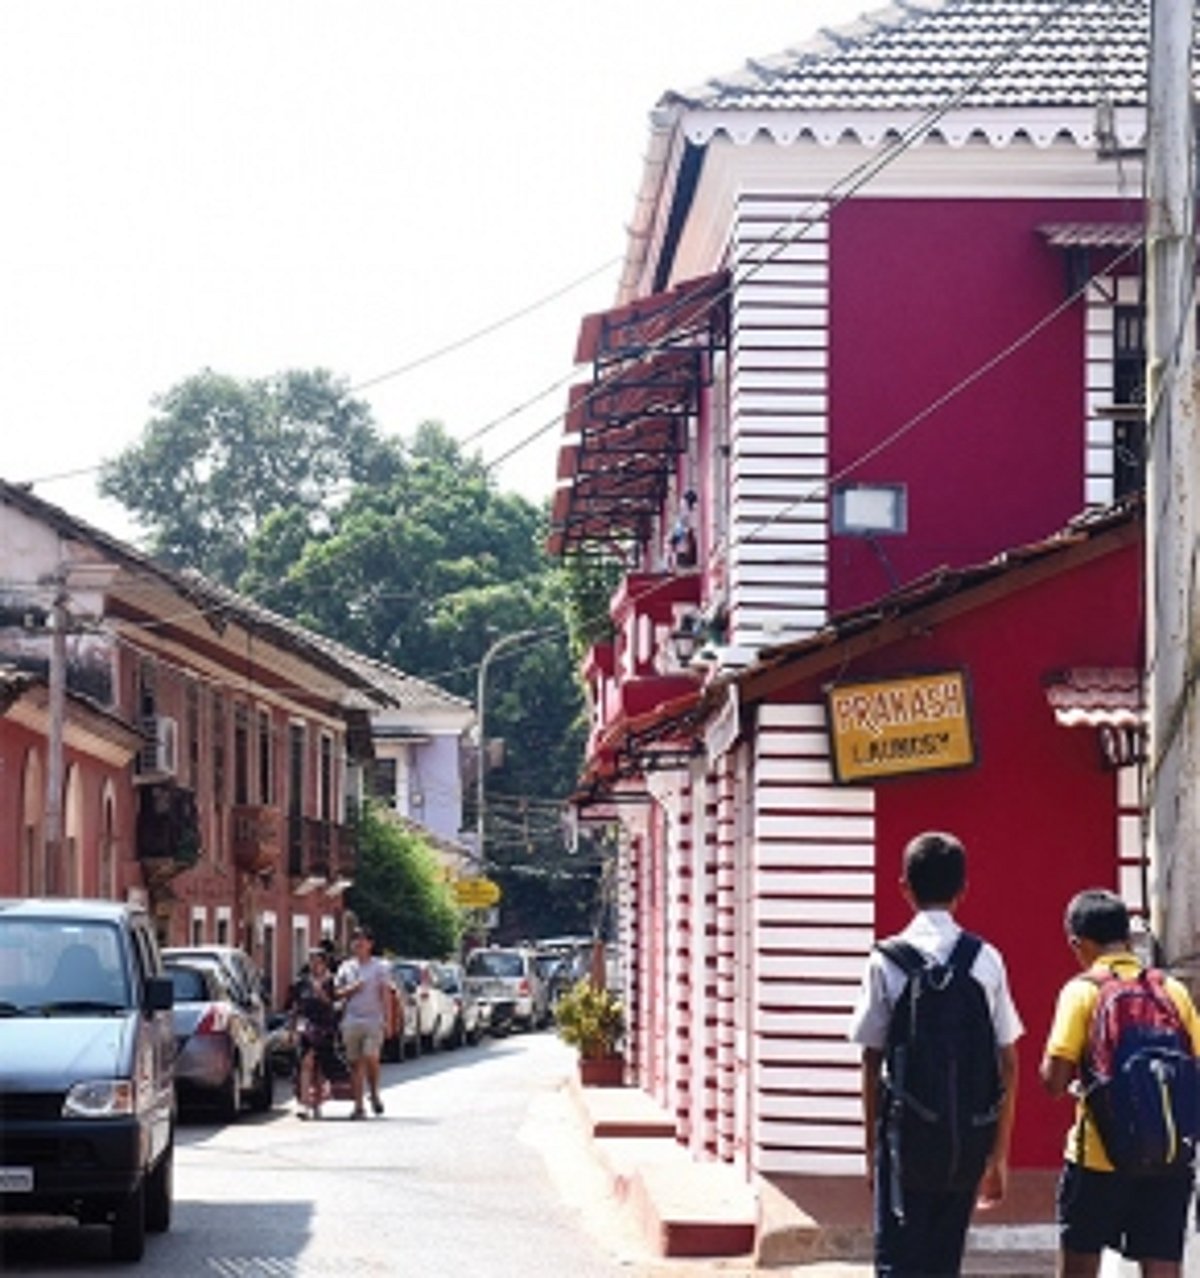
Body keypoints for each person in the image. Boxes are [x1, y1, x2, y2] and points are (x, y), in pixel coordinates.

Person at [848, 830, 1023, 1277]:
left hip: (903, 1142)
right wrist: (998, 1154)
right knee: (945, 1263)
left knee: (897, 1263)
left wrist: (871, 1152)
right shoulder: (986, 959)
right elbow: (1009, 1061)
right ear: (963, 890)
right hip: (966, 1139)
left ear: (903, 886)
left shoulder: (886, 961)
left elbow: (871, 1059)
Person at [1041, 889, 1200, 1278]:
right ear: (1128, 939)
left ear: (1078, 944)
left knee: (1080, 1261)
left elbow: (1054, 1080)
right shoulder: (1171, 990)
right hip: (1168, 1156)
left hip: (1097, 1156)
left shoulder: (1082, 991)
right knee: (1162, 1266)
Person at [335, 926, 391, 1119]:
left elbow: (385, 994)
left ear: (370, 944)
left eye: (362, 939)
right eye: (355, 939)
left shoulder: (380, 967)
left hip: (373, 1020)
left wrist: (387, 1019)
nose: (358, 943)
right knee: (354, 1064)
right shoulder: (346, 967)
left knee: (371, 1057)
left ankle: (374, 1092)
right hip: (351, 1020)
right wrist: (352, 988)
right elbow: (337, 993)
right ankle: (359, 1106)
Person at [290, 947, 339, 1120]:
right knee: (306, 1063)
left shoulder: (331, 981)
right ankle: (304, 1104)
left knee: (319, 1067)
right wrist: (292, 1029)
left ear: (325, 964)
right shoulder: (301, 983)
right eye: (312, 961)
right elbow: (296, 1007)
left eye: (318, 961)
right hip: (307, 1027)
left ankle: (317, 1103)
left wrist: (321, 992)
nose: (314, 965)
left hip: (325, 1027)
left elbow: (332, 1003)